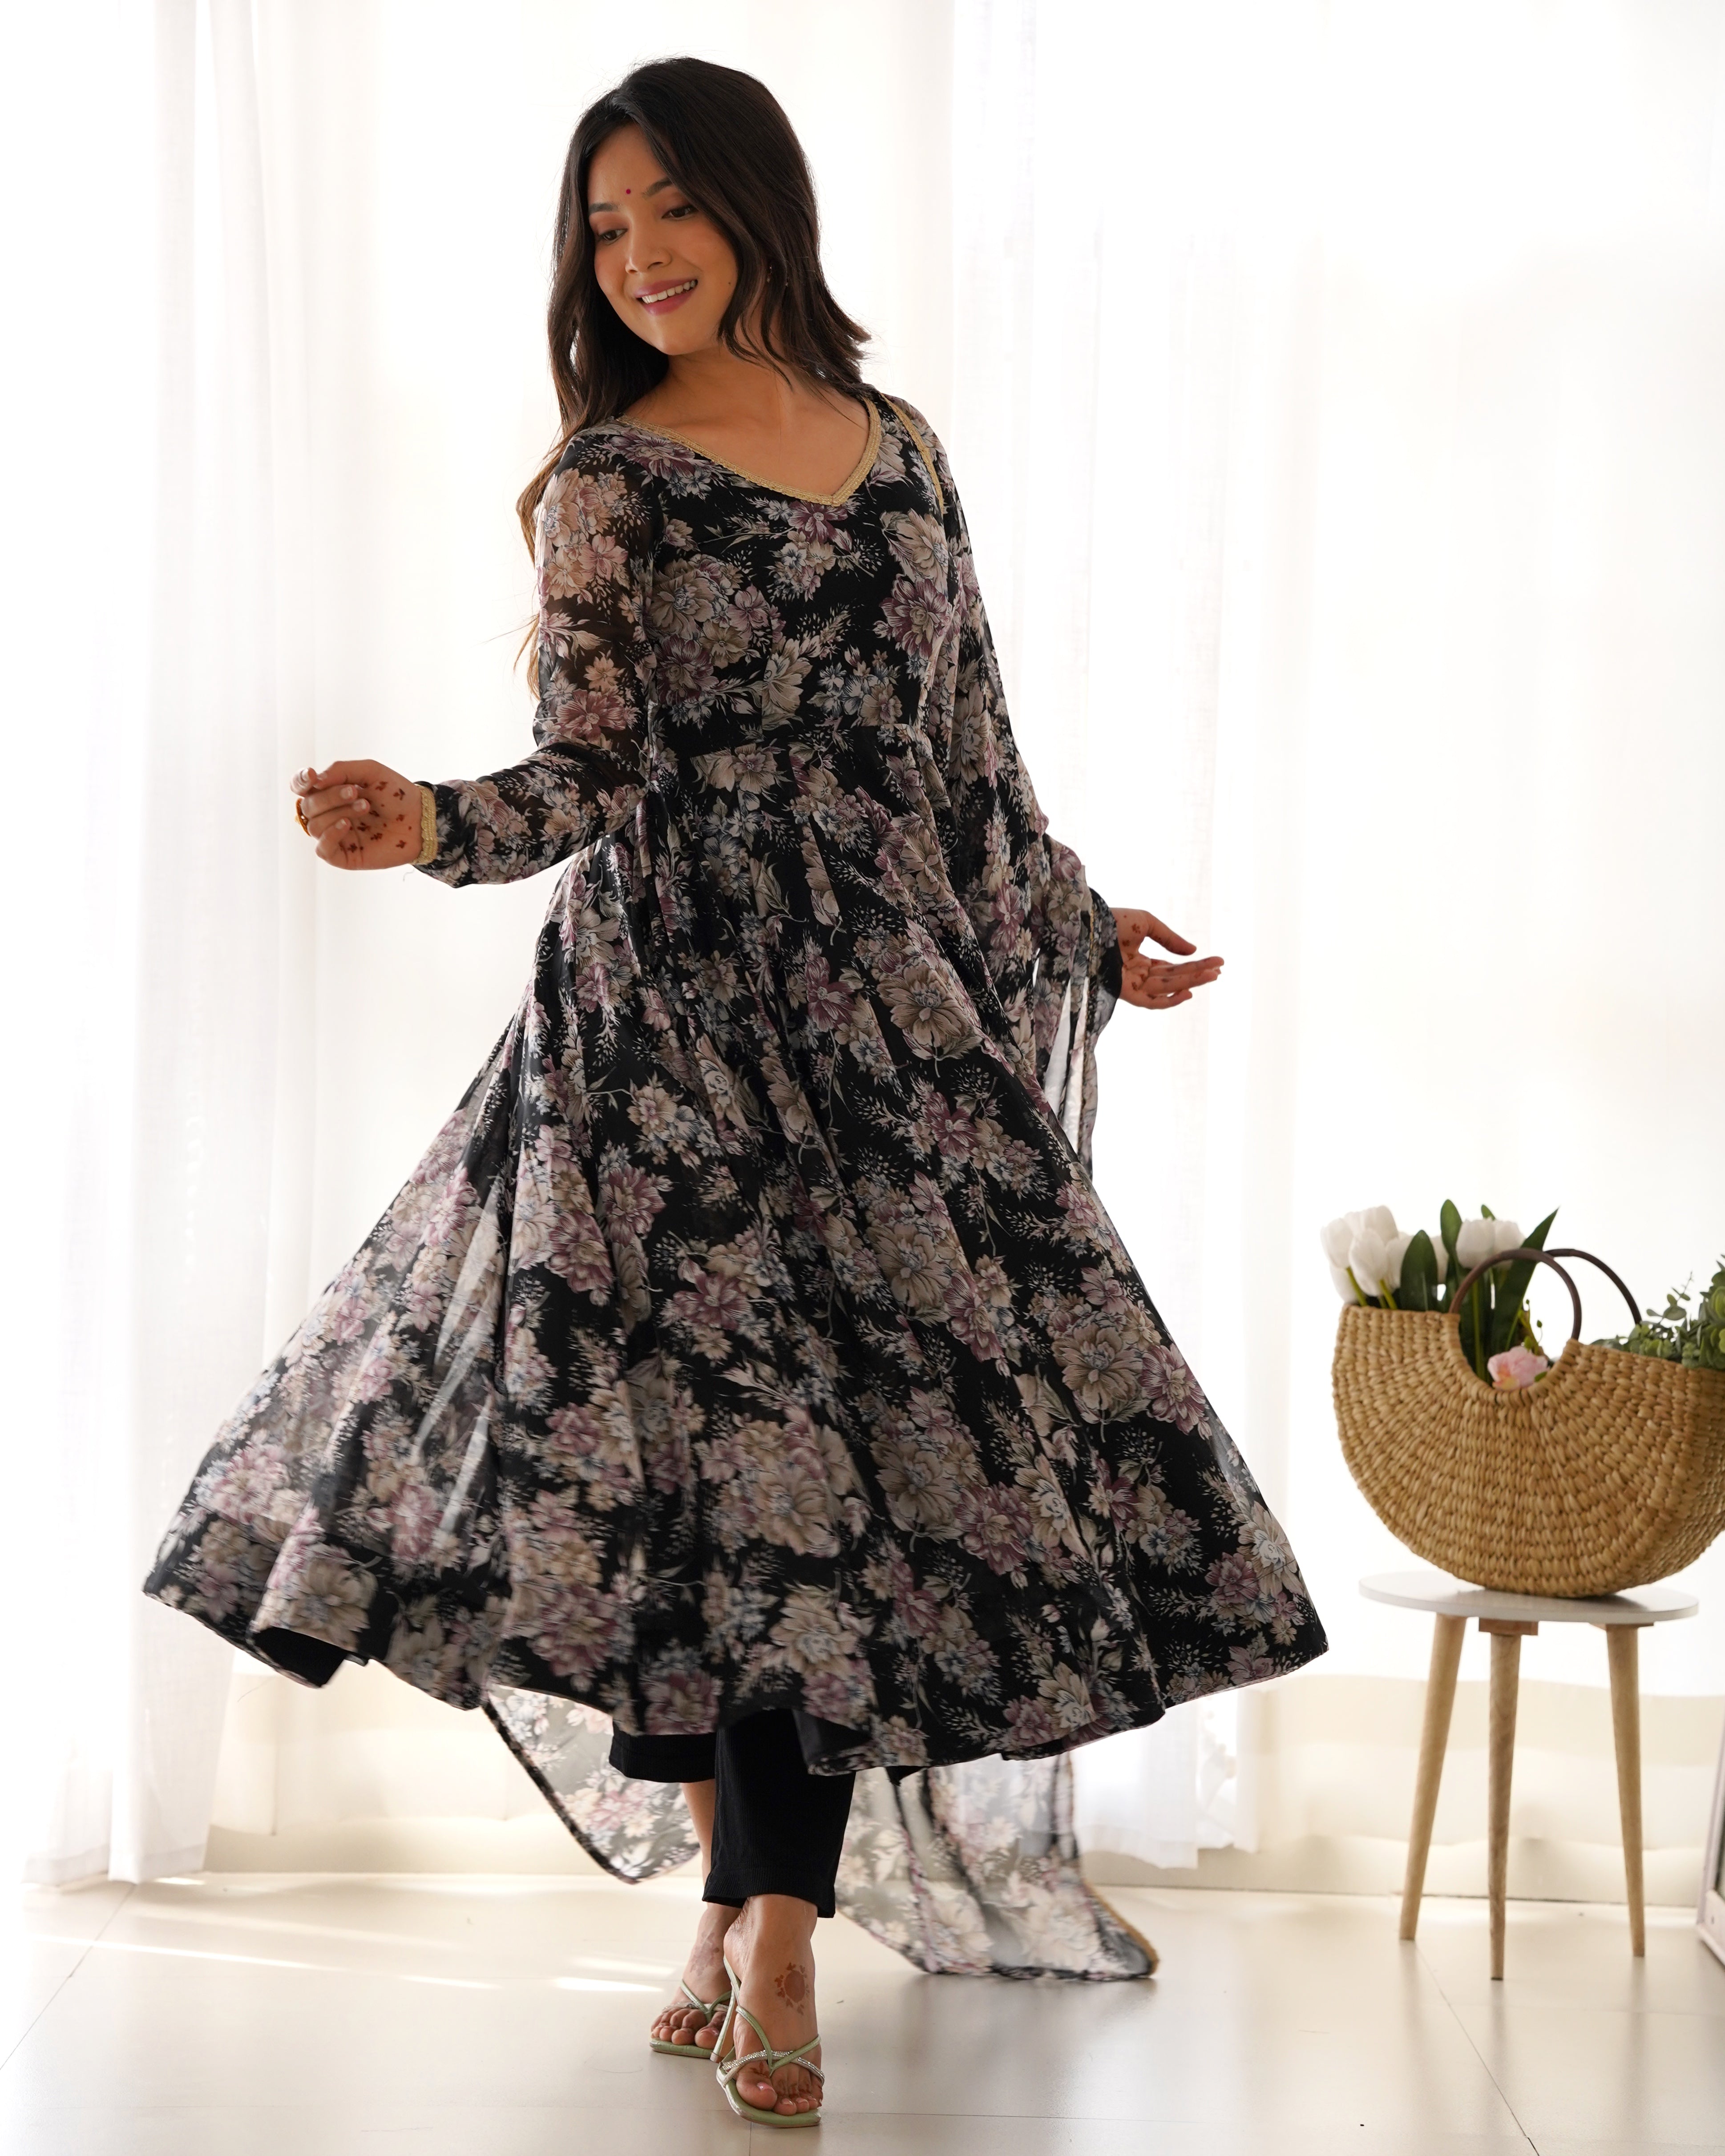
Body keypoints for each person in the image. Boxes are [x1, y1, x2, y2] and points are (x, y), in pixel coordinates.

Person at [147, 57, 1325, 2127]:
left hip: (879, 1034)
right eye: (603, 228)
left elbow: (965, 765)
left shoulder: (904, 451)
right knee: (717, 1493)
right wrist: (429, 821)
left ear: (758, 203)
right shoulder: (612, 479)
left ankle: (736, 1920)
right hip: (662, 1042)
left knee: (848, 1484)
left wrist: (1081, 929)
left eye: (670, 206)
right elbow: (587, 776)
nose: (639, 255)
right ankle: (770, 1931)